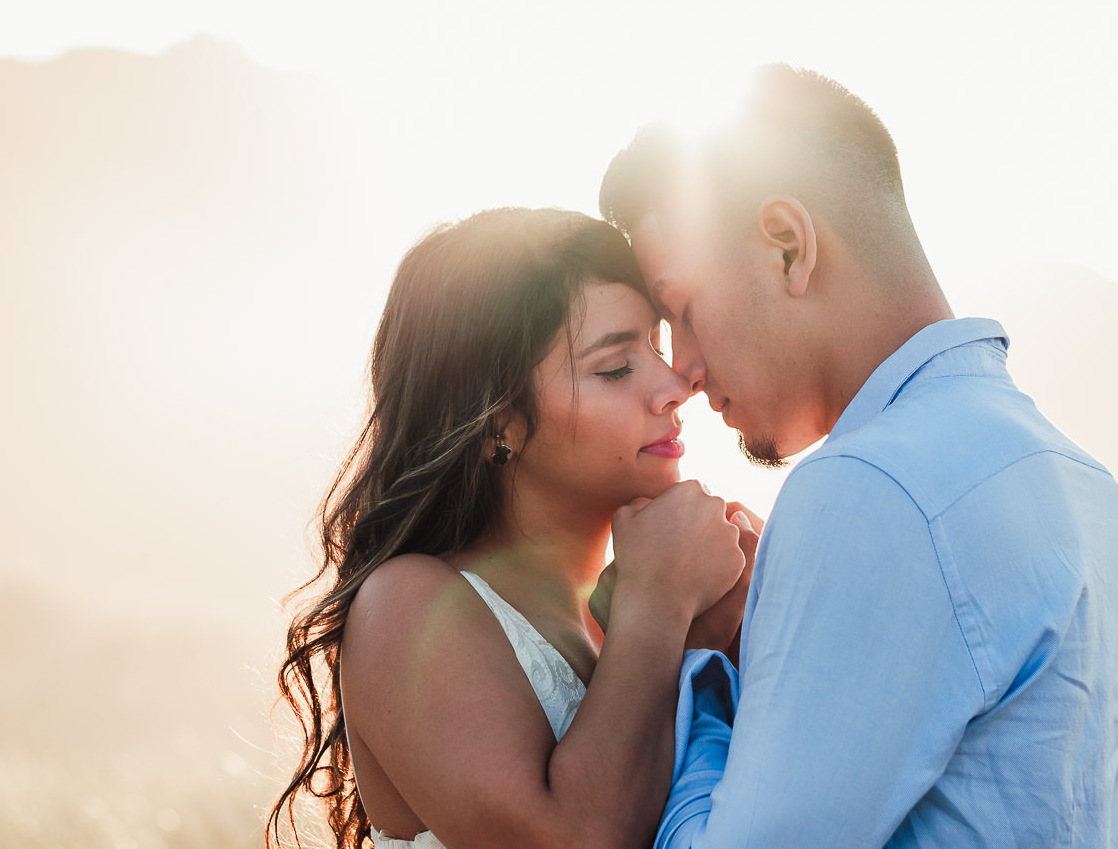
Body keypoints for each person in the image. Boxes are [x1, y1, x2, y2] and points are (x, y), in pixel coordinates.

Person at [596, 65, 1118, 847]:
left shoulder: (871, 487)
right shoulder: (1089, 489)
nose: (686, 369)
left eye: (684, 309)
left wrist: (701, 667)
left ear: (787, 247)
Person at [267, 207, 755, 849]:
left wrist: (713, 638)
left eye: (657, 347)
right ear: (500, 423)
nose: (674, 385)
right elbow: (577, 839)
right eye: (615, 367)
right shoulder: (407, 605)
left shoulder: (637, 609)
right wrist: (660, 602)